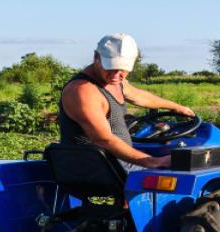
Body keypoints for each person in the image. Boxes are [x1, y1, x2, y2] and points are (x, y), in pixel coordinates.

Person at [59, 33, 195, 170]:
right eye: (110, 67)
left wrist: (177, 107)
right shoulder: (82, 91)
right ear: (96, 57)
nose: (116, 75)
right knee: (185, 170)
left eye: (122, 69)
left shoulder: (115, 81)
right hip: (97, 168)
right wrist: (153, 162)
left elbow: (139, 96)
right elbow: (102, 139)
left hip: (117, 162)